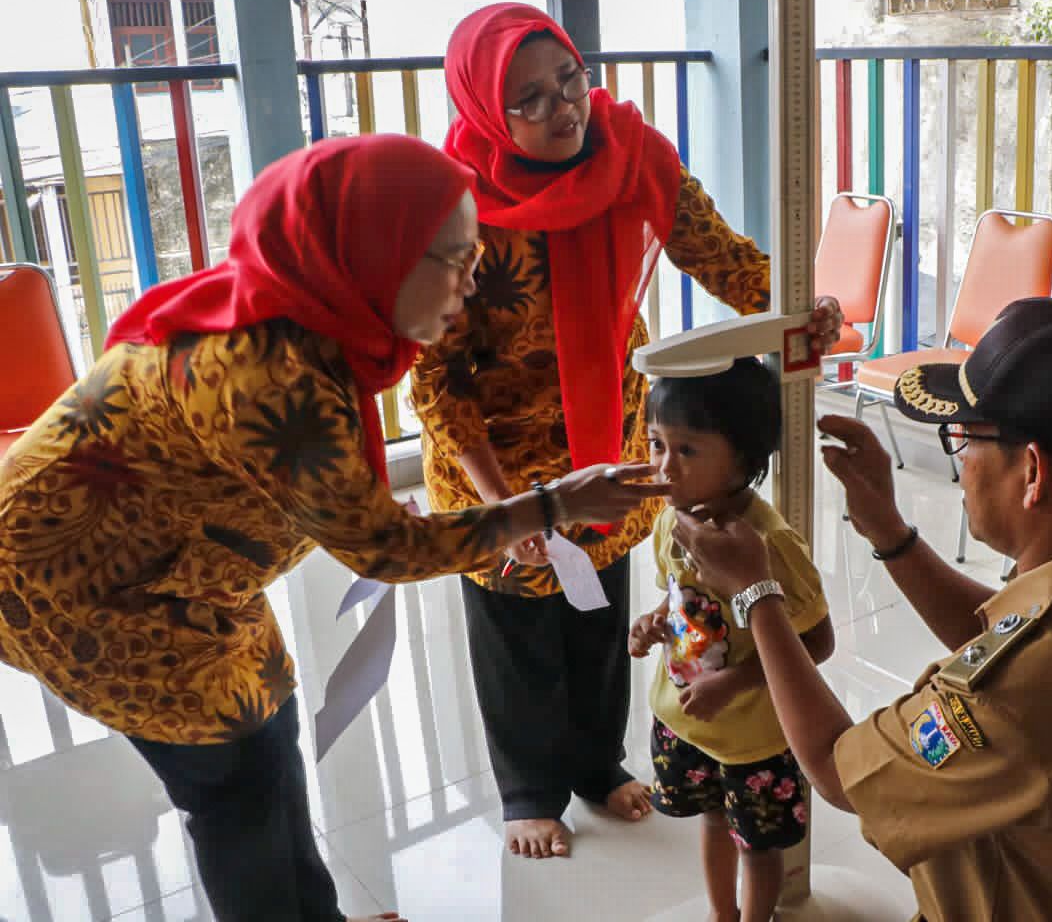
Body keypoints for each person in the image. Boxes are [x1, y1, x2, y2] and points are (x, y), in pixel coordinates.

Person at [0, 135, 665, 922]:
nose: (471, 281)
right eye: (450, 259)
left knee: (270, 725)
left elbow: (326, 501)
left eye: (475, 253)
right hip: (79, 588)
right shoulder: (266, 373)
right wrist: (549, 505)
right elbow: (388, 549)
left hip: (181, 567)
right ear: (370, 254)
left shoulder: (304, 312)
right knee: (234, 785)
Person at [410, 2, 845, 860]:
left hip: (605, 428)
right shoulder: (455, 208)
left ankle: (595, 762)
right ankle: (529, 790)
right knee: (517, 629)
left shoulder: (633, 159)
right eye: (528, 98)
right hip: (492, 453)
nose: (563, 107)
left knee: (601, 612)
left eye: (569, 78)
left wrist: (796, 310)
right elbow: (436, 380)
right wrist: (509, 506)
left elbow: (719, 254)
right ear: (488, 109)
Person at [674, 298, 1052, 921]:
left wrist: (756, 592)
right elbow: (1005, 638)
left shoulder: (1020, 695)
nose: (960, 462)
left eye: (966, 438)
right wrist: (890, 533)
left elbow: (837, 770)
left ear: (1032, 471)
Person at [626, 358, 834, 922]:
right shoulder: (671, 520)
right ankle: (723, 915)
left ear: (744, 456)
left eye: (687, 450)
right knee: (714, 823)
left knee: (758, 846)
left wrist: (735, 683)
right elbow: (683, 600)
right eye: (655, 445)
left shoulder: (771, 545)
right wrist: (653, 622)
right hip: (686, 720)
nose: (665, 467)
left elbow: (817, 642)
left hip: (756, 737)